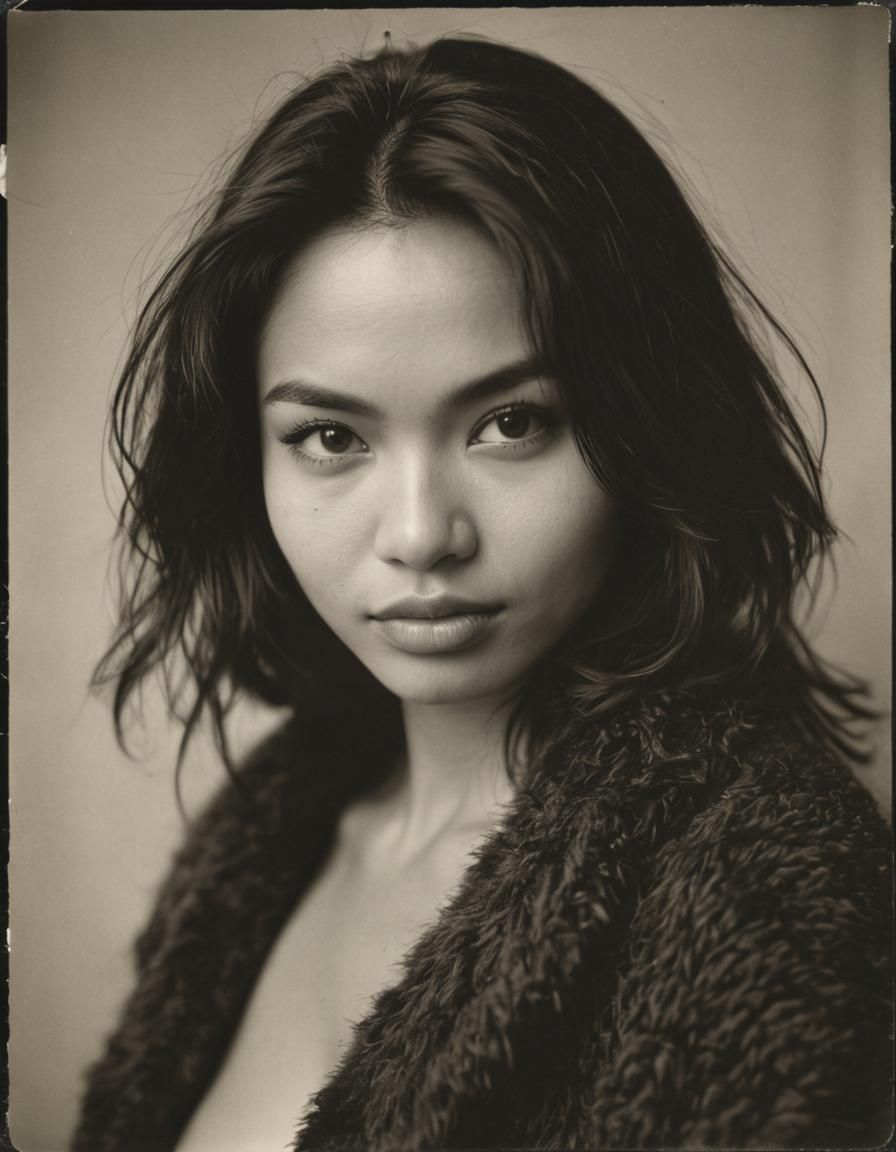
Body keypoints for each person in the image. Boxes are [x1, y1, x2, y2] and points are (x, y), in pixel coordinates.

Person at [70, 35, 891, 1152]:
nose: (420, 535)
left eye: (512, 423)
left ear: (645, 429)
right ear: (243, 460)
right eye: (327, 436)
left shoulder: (762, 889)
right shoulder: (260, 849)